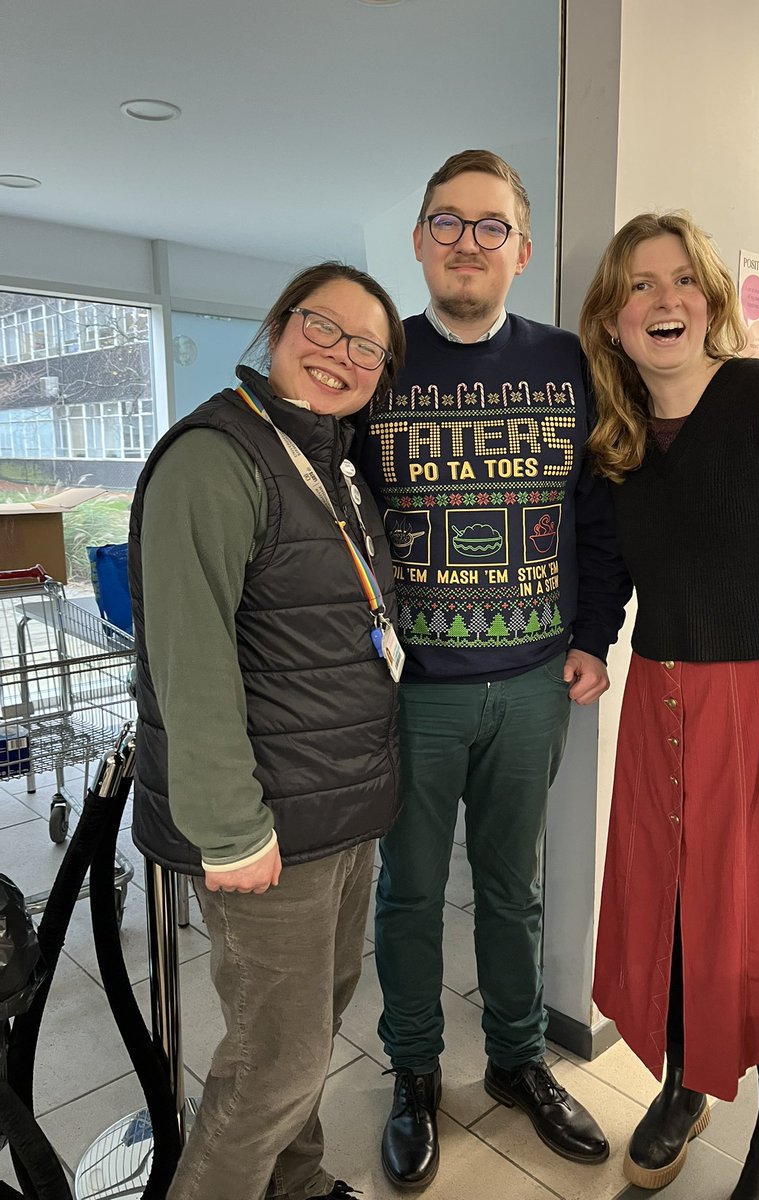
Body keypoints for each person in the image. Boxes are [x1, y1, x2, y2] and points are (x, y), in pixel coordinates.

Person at [579, 212, 759, 1200]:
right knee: (671, 917)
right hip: (664, 714)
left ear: (709, 301)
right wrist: (588, 643)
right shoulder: (619, 434)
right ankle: (683, 1085)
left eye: (680, 282)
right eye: (638, 287)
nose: (662, 302)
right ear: (614, 319)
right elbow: (615, 565)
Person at [357, 149, 630, 1189]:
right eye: (447, 222)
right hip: (413, 690)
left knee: (513, 888)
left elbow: (598, 519)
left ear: (522, 247)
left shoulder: (569, 363)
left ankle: (518, 1060)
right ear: (422, 239)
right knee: (412, 892)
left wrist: (595, 636)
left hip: (529, 684)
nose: (468, 242)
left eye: (489, 225)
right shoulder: (379, 363)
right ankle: (415, 1072)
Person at [129, 262, 406, 1200]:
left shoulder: (333, 464)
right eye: (323, 329)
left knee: (307, 1033)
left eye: (367, 346)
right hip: (266, 823)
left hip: (334, 806)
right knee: (274, 1063)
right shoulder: (213, 458)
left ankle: (298, 1185)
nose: (341, 356)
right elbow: (186, 654)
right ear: (279, 327)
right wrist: (229, 823)